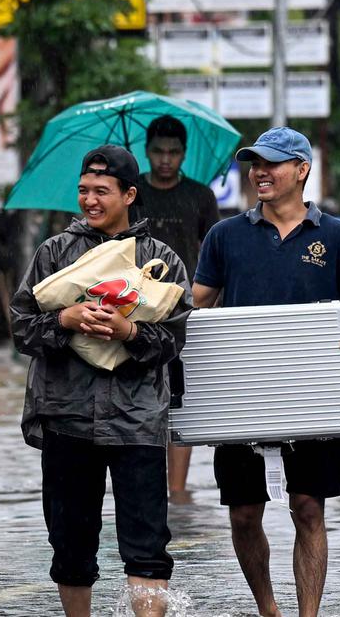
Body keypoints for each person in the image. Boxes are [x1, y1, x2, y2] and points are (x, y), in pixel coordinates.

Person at [192, 127, 340, 617]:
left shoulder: (338, 236)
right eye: (254, 162)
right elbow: (193, 309)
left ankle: (308, 615)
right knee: (242, 515)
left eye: (272, 163)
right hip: (241, 399)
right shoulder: (224, 236)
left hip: (314, 397)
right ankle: (268, 610)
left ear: (302, 169)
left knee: (308, 508)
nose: (260, 171)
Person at [10, 145, 193, 617]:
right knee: (71, 546)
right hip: (66, 416)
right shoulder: (53, 253)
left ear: (130, 194)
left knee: (147, 543)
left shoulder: (162, 260)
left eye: (101, 191)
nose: (89, 200)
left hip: (138, 421)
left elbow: (174, 339)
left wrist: (128, 330)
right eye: (83, 190)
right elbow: (20, 327)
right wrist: (66, 318)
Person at [134, 114, 220, 501]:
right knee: (139, 398)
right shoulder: (131, 193)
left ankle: (178, 493)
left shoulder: (200, 196)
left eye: (173, 152)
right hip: (134, 308)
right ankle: (145, 486)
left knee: (180, 400)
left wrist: (210, 307)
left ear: (184, 153)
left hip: (186, 310)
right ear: (147, 152)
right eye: (158, 151)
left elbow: (215, 254)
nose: (166, 159)